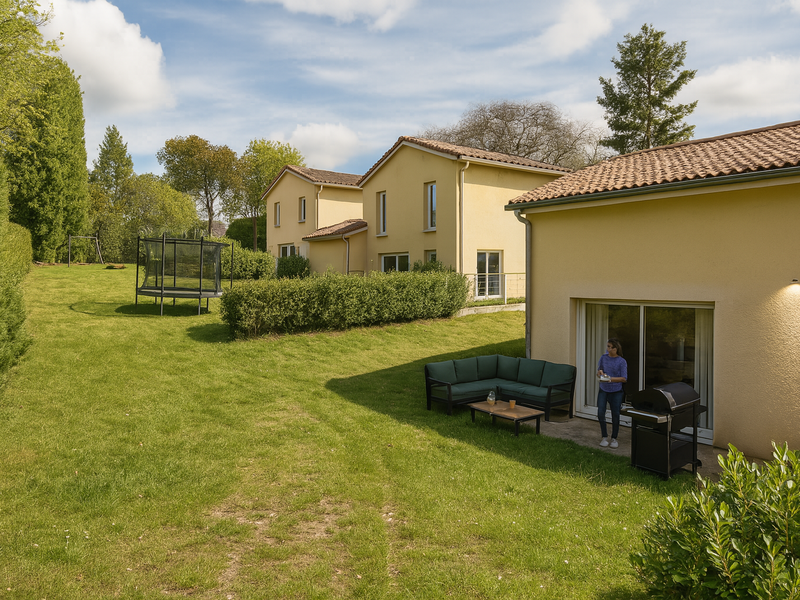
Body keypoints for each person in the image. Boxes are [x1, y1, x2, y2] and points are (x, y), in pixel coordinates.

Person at [597, 338, 628, 449]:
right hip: (603, 389)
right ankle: (604, 436)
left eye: (611, 347)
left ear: (616, 349)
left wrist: (610, 379)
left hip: (616, 391)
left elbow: (624, 378)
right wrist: (600, 373)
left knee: (615, 414)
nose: (609, 349)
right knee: (601, 412)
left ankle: (614, 438)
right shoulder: (603, 358)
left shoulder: (621, 361)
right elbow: (599, 371)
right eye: (608, 346)